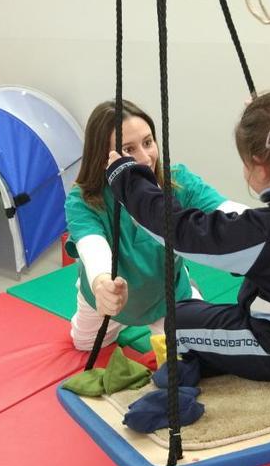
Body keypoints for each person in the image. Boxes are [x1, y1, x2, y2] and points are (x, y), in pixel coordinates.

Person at [104, 90, 270, 382]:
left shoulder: (267, 233)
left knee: (177, 322)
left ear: (261, 165)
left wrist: (127, 179)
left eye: (246, 163)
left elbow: (181, 231)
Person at [65, 99, 247, 351]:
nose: (144, 158)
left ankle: (188, 288)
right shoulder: (84, 199)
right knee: (84, 344)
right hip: (109, 295)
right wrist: (102, 284)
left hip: (166, 294)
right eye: (128, 149)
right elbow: (92, 246)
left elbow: (227, 211)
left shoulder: (177, 181)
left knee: (197, 351)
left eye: (148, 142)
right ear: (101, 157)